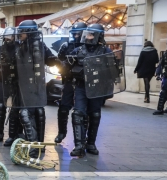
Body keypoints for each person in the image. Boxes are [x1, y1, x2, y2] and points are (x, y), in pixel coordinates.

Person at [14, 20, 60, 159]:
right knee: (32, 113)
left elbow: (51, 60)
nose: (19, 34)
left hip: (35, 87)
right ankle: (36, 144)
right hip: (23, 86)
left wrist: (63, 63)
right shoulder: (21, 46)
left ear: (28, 33)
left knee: (29, 114)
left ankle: (35, 146)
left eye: (22, 32)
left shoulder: (40, 46)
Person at [68, 24, 113, 156]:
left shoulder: (106, 51)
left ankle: (91, 143)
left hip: (97, 88)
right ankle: (78, 145)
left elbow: (112, 71)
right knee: (77, 113)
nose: (88, 36)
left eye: (91, 34)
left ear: (99, 36)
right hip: (81, 86)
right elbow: (67, 67)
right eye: (87, 34)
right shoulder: (78, 50)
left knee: (95, 115)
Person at [0, 27, 21, 145]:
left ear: (14, 37)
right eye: (6, 37)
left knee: (14, 110)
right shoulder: (0, 49)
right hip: (2, 82)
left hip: (16, 83)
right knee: (1, 107)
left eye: (10, 37)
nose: (7, 39)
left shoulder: (20, 48)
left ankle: (12, 135)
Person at [54, 22, 87, 143]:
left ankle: (83, 136)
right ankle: (61, 133)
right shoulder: (66, 46)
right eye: (75, 33)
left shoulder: (88, 47)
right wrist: (65, 69)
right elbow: (60, 61)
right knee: (63, 108)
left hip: (83, 82)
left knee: (82, 111)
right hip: (68, 80)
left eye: (79, 33)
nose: (77, 36)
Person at [153, 39, 167, 115]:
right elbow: (160, 64)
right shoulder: (166, 54)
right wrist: (158, 73)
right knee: (164, 92)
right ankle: (160, 109)